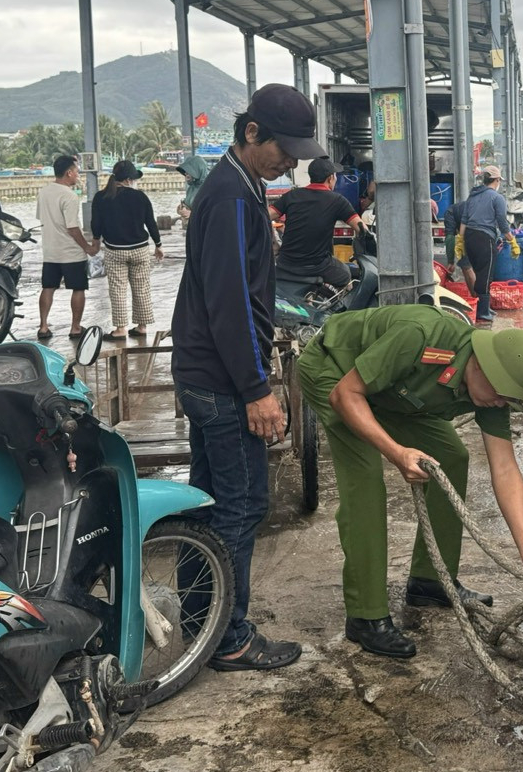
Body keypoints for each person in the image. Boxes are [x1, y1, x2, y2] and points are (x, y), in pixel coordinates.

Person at [297, 304, 523, 659]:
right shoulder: (419, 337)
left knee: (451, 458)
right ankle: (365, 615)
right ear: (480, 364)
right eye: (501, 394)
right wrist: (396, 452)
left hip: (391, 392)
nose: (500, 404)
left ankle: (432, 581)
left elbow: (506, 469)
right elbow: (346, 395)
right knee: (367, 480)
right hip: (336, 373)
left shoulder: (494, 388)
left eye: (510, 400)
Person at [171, 83, 326, 672]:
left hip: (206, 371)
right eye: (284, 148)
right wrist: (257, 389)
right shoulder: (232, 198)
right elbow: (230, 303)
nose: (291, 161)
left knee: (206, 504)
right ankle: (230, 635)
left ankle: (201, 621)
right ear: (252, 132)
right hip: (222, 380)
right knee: (241, 505)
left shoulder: (243, 185)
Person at [90, 160, 162, 341]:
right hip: (140, 250)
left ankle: (120, 329)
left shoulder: (101, 197)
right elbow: (151, 223)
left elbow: (95, 224)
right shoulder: (140, 197)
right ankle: (142, 326)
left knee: (118, 289)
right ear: (129, 179)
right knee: (141, 288)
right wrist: (158, 245)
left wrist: (96, 241)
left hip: (115, 251)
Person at [268, 157, 365, 287]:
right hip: (317, 266)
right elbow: (361, 227)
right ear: (330, 178)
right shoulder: (337, 201)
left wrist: (273, 242)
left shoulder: (292, 195)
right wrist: (370, 239)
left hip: (285, 264)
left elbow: (264, 216)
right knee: (345, 274)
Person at [35, 154, 97, 340]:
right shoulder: (69, 196)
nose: (78, 175)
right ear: (69, 173)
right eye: (77, 172)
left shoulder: (43, 192)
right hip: (71, 253)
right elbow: (72, 227)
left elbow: (41, 219)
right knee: (78, 288)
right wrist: (87, 247)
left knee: (48, 287)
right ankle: (75, 327)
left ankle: (43, 326)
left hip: (50, 251)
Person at [459, 166, 519, 323]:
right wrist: (512, 241)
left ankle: (484, 308)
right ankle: (482, 311)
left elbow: (464, 219)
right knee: (485, 275)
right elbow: (502, 223)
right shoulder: (497, 198)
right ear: (497, 180)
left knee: (479, 272)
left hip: (469, 237)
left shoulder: (472, 196)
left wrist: (460, 240)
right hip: (485, 238)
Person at [443, 197, 475, 292]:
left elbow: (450, 238)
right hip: (482, 233)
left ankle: (476, 298)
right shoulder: (479, 207)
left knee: (467, 266)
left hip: (470, 232)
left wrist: (450, 261)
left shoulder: (450, 212)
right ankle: (480, 297)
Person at [175, 154, 208, 222]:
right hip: (192, 227)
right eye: (186, 172)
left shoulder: (209, 188)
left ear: (198, 171)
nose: (186, 174)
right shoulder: (191, 188)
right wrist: (181, 208)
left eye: (189, 171)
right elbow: (188, 203)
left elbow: (213, 212)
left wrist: (192, 215)